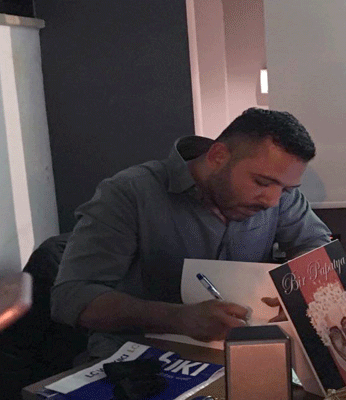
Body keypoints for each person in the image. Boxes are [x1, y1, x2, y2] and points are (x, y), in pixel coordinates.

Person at [51, 108, 331, 359]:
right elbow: (71, 297)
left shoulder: (279, 197)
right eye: (261, 182)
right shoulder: (130, 193)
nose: (272, 201)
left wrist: (298, 289)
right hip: (143, 360)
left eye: (286, 189)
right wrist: (178, 318)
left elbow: (316, 244)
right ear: (218, 157)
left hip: (239, 353)